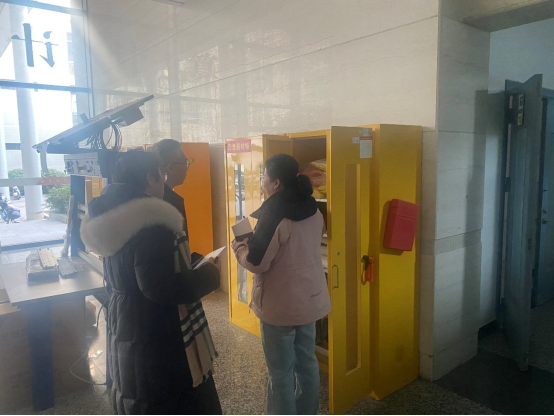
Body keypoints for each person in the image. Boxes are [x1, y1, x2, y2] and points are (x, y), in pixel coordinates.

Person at [81, 151, 222, 415]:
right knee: (169, 399)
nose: (164, 183)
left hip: (126, 318)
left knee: (134, 389)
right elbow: (161, 286)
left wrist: (191, 262)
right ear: (150, 177)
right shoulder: (152, 222)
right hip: (155, 330)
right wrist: (210, 274)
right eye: (162, 176)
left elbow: (139, 270)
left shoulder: (109, 216)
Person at [231, 154, 331, 416]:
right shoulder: (311, 206)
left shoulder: (275, 212)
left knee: (280, 372)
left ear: (276, 182)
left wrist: (240, 246)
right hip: (309, 300)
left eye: (264, 177)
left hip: (281, 306)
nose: (262, 181)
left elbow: (257, 262)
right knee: (307, 364)